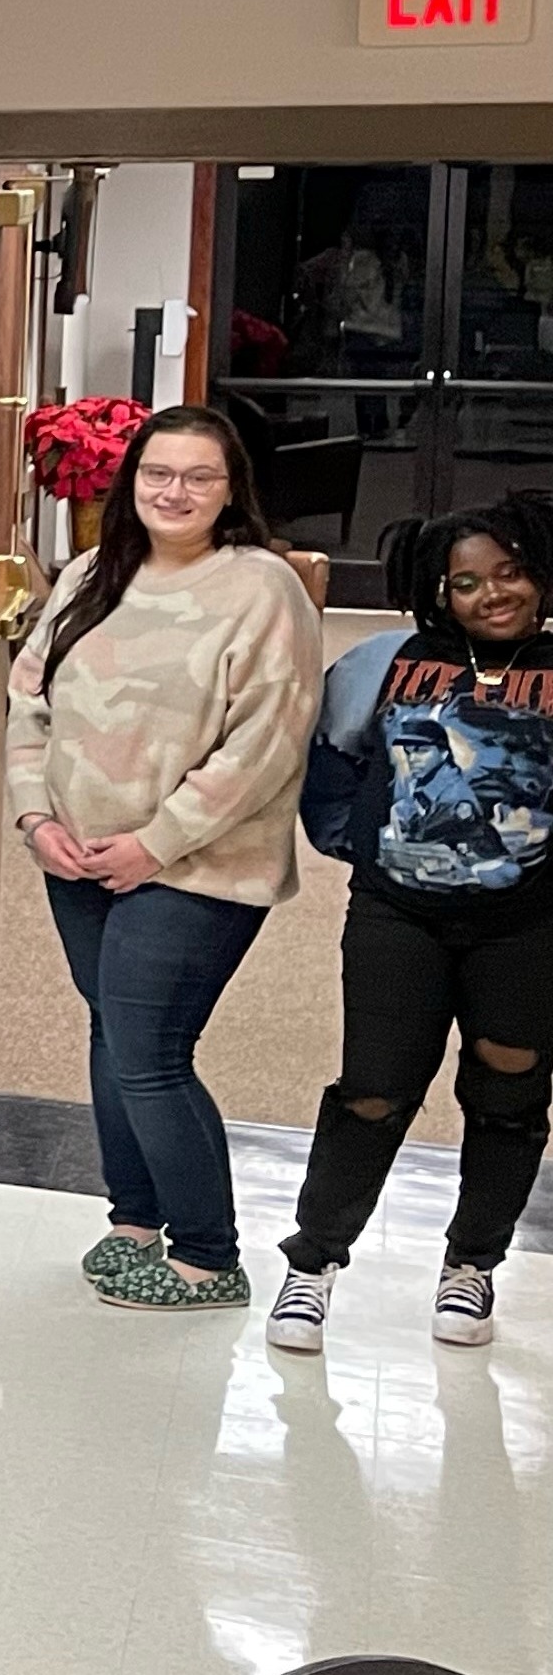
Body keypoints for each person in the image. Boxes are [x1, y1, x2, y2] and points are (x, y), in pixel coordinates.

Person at [6, 403, 319, 1305]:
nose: (174, 492)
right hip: (77, 855)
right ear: (131, 481)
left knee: (150, 1048)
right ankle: (134, 1219)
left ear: (231, 490)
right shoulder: (91, 574)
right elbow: (29, 703)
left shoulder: (262, 587)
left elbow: (266, 743)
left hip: (198, 864)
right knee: (112, 1029)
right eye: (157, 473)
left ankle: (208, 1254)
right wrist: (36, 820)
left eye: (198, 476)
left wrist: (154, 843)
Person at [279, 500, 553, 1350]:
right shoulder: (388, 661)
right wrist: (361, 843)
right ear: (438, 590)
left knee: (510, 1091)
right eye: (466, 581)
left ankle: (472, 1263)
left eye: (510, 572)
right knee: (373, 1088)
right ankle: (313, 1261)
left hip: (529, 925)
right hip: (398, 916)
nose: (492, 594)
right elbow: (329, 757)